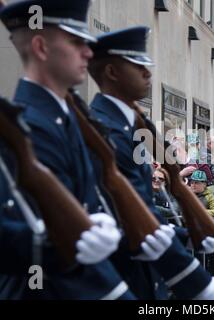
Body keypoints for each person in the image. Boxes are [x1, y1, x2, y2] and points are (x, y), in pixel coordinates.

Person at [0, 0, 137, 300]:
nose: (89, 51)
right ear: (41, 47)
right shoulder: (32, 125)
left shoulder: (67, 119)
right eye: (76, 42)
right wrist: (61, 243)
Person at [87, 26, 214, 299]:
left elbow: (143, 206)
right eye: (137, 65)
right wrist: (194, 279)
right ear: (111, 72)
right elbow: (127, 213)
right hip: (123, 274)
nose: (147, 73)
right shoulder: (108, 129)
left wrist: (186, 235)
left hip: (141, 270)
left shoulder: (127, 124)